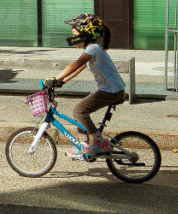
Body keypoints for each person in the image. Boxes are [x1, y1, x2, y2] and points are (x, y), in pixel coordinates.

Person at [45, 13, 126, 159]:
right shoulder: (93, 49)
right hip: (112, 90)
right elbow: (78, 69)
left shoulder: (92, 49)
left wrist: (54, 78)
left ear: (85, 34)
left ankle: (99, 141)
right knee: (79, 112)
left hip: (111, 91)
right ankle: (84, 147)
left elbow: (75, 64)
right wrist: (61, 81)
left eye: (75, 35)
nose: (72, 38)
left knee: (79, 110)